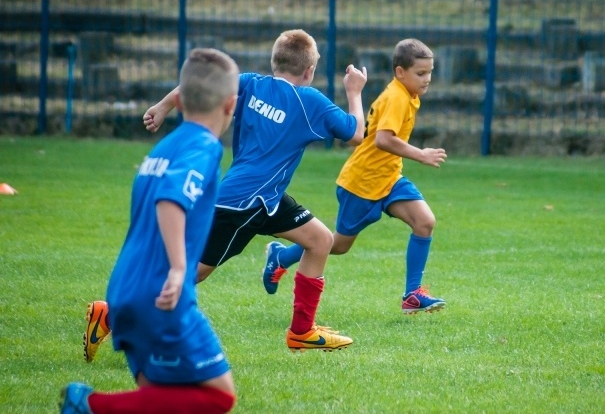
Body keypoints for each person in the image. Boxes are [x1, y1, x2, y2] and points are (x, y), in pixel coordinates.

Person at [83, 29, 367, 360]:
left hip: (265, 198)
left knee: (320, 239)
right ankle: (110, 314)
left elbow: (202, 87)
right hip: (244, 204)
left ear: (274, 62)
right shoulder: (309, 101)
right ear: (309, 71)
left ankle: (301, 332)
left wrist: (162, 107)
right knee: (194, 273)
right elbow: (355, 133)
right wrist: (354, 91)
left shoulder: (250, 83)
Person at [62, 49, 240, 414]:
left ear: (180, 100)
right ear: (230, 105)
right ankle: (88, 405)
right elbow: (171, 198)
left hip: (126, 287)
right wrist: (178, 268)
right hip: (162, 293)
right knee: (219, 395)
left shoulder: (164, 147)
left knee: (161, 397)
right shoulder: (204, 146)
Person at [262, 38, 447, 314]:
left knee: (424, 222)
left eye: (429, 72)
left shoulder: (407, 95)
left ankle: (413, 295)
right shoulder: (396, 98)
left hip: (389, 178)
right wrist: (421, 154)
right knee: (336, 245)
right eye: (420, 73)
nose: (427, 79)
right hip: (362, 182)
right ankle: (281, 257)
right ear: (400, 72)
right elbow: (383, 139)